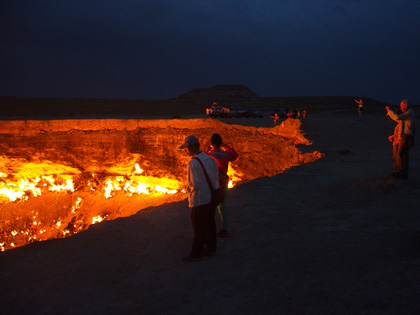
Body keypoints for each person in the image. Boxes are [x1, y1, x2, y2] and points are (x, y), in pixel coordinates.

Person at [179, 135, 219, 261]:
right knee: (210, 224)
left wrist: (187, 191)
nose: (185, 150)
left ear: (191, 147)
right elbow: (215, 178)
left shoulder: (193, 163)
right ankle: (212, 248)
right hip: (211, 197)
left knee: (198, 227)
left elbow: (193, 184)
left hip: (199, 200)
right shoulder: (210, 159)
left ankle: (197, 253)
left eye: (186, 148)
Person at [205, 134, 238, 238]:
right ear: (220, 143)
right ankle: (224, 229)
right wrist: (226, 146)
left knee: (211, 208)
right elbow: (235, 154)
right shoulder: (226, 154)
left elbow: (203, 158)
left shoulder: (209, 155)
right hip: (223, 184)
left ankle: (210, 230)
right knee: (222, 208)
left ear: (212, 143)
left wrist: (207, 149)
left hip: (212, 185)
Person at [386, 99, 415, 179]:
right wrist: (390, 112)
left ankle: (402, 174)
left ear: (406, 106)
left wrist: (390, 111)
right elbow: (397, 118)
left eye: (402, 106)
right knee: (402, 155)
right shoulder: (408, 113)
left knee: (401, 154)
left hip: (406, 136)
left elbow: (397, 117)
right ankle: (400, 173)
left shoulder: (409, 113)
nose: (401, 108)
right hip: (404, 136)